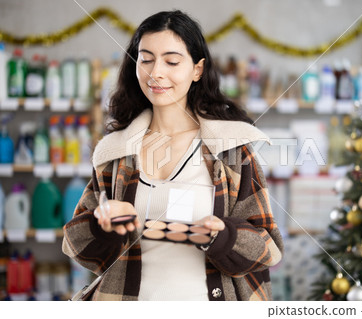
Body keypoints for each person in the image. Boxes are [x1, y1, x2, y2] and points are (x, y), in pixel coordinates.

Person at [62, 10, 283, 301]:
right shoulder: (115, 152)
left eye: (172, 61)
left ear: (197, 69)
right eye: (146, 59)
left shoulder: (231, 148)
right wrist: (102, 226)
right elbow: (76, 247)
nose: (156, 73)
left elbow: (269, 248)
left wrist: (221, 235)